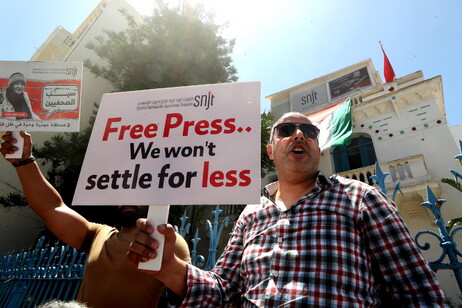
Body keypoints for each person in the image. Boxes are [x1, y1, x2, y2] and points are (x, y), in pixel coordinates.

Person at [127, 111, 448, 307]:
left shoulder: (361, 197)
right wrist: (168, 267)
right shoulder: (250, 215)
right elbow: (223, 292)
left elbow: (419, 294)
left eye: (309, 132)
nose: (299, 135)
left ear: (317, 147)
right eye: (286, 131)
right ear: (271, 150)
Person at [0, 131, 191, 308]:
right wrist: (24, 161)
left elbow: (190, 296)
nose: (128, 196)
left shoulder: (166, 242)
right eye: (124, 189)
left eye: (139, 189)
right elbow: (52, 208)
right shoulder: (99, 235)